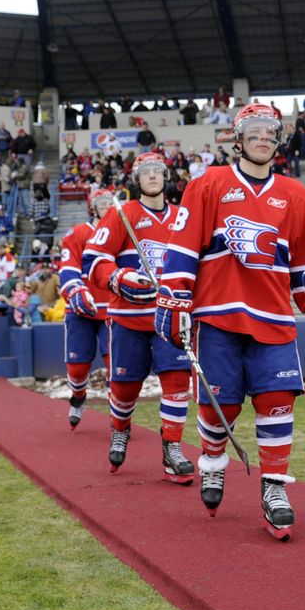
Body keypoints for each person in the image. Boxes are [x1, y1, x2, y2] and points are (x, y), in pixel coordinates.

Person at [154, 103, 305, 541]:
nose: (264, 137)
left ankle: (275, 491)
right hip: (218, 317)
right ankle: (212, 463)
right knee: (221, 406)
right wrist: (174, 299)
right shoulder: (208, 184)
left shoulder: (297, 196)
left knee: (277, 403)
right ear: (237, 136)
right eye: (254, 130)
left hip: (273, 319)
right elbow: (184, 249)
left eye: (272, 131)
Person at [87, 152, 193, 483]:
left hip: (169, 316)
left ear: (166, 177)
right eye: (145, 172)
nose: (151, 176)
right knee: (124, 388)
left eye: (157, 171)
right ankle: (120, 429)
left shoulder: (182, 217)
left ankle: (172, 448)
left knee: (177, 383)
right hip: (128, 320)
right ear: (136, 179)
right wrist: (117, 278)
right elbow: (93, 258)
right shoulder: (123, 213)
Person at [58, 188, 116, 430]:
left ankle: (119, 416)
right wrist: (75, 291)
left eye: (110, 202)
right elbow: (68, 267)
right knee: (79, 366)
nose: (107, 205)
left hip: (112, 309)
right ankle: (78, 394)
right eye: (102, 202)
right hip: (81, 308)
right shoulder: (79, 233)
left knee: (116, 364)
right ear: (92, 206)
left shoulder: (120, 233)